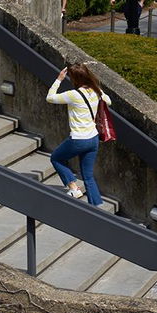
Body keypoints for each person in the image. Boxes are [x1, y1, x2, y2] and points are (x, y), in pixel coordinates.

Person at [45, 63, 112, 206]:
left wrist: (59, 79)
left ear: (74, 78)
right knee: (88, 176)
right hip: (93, 139)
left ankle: (73, 187)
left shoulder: (74, 95)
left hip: (79, 139)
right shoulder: (97, 91)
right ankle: (97, 208)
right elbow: (109, 101)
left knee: (56, 158)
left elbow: (50, 98)